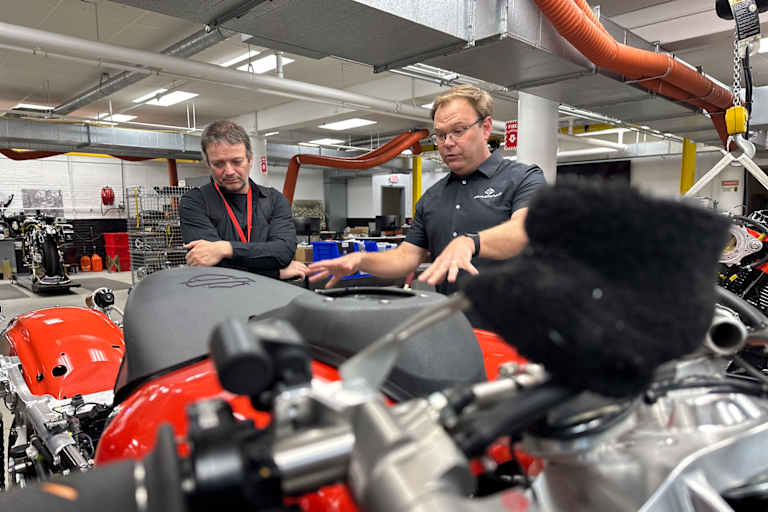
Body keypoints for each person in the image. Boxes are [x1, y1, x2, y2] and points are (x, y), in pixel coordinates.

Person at [308, 85, 546, 295]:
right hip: (452, 324)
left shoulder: (523, 178)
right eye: (441, 135)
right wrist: (361, 259)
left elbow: (525, 231)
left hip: (514, 330)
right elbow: (405, 257)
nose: (448, 143)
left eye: (458, 131)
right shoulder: (432, 198)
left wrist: (470, 243)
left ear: (485, 128)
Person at [180, 120, 308, 280]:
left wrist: (225, 248)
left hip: (270, 299)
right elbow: (210, 266)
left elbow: (283, 252)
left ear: (250, 159)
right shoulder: (195, 202)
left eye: (236, 161)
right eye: (218, 164)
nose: (229, 171)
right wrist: (275, 273)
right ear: (208, 164)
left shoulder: (274, 200)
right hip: (218, 299)